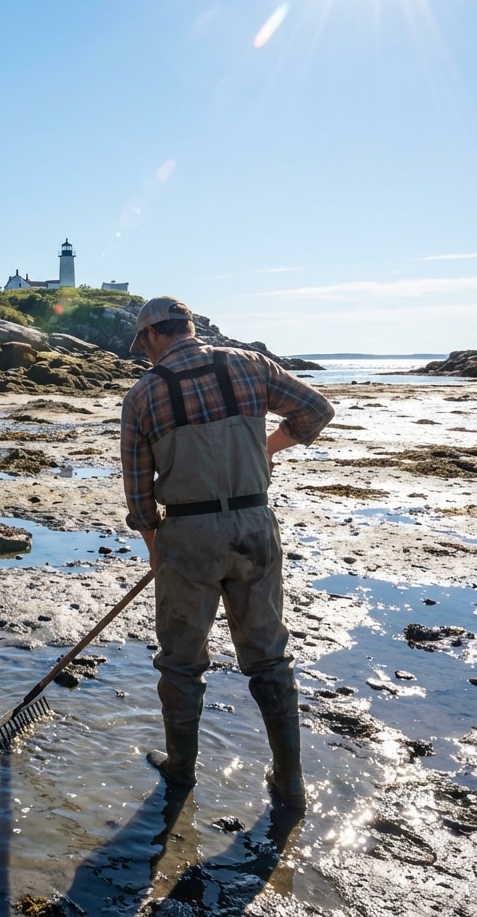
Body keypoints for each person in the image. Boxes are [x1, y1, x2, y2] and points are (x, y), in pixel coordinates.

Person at [120, 296, 334, 809]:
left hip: (187, 536)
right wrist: (270, 447)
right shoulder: (249, 365)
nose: (144, 353)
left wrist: (155, 545)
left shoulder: (143, 395)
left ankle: (180, 773)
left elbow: (138, 492)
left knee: (181, 662)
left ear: (152, 335)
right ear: (188, 327)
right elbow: (317, 410)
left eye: (142, 344)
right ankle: (290, 784)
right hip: (254, 526)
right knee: (268, 658)